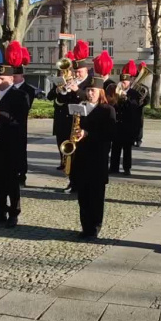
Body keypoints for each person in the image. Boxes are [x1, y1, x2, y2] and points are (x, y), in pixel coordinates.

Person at [0, 41, 30, 228]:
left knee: (12, 184)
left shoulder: (20, 96)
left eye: (2, 79)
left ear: (10, 79)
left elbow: (19, 120)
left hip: (11, 146)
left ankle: (14, 214)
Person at [70, 76, 116, 239]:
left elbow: (109, 134)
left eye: (93, 91)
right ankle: (85, 226)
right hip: (81, 157)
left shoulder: (107, 110)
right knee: (83, 195)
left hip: (97, 158)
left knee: (96, 196)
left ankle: (95, 227)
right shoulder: (79, 108)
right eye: (88, 90)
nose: (90, 94)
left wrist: (87, 133)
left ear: (100, 92)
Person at [47, 41, 92, 193]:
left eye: (80, 71)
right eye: (76, 71)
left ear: (86, 70)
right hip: (67, 123)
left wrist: (77, 90)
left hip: (83, 124)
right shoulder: (70, 81)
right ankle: (72, 182)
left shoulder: (90, 82)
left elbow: (89, 97)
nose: (77, 74)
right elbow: (60, 101)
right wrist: (64, 91)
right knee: (69, 154)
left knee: (81, 156)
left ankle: (81, 182)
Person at [110, 60, 144, 176]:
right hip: (117, 125)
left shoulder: (134, 93)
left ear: (129, 82)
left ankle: (127, 168)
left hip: (128, 126)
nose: (123, 84)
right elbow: (112, 105)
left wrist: (126, 99)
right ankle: (113, 167)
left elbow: (135, 107)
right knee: (115, 148)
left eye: (125, 82)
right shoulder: (116, 91)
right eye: (122, 81)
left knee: (127, 149)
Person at [13, 46, 37, 186]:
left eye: (15, 77)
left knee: (21, 151)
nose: (13, 79)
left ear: (21, 76)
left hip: (20, 125)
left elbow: (25, 107)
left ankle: (22, 175)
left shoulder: (28, 90)